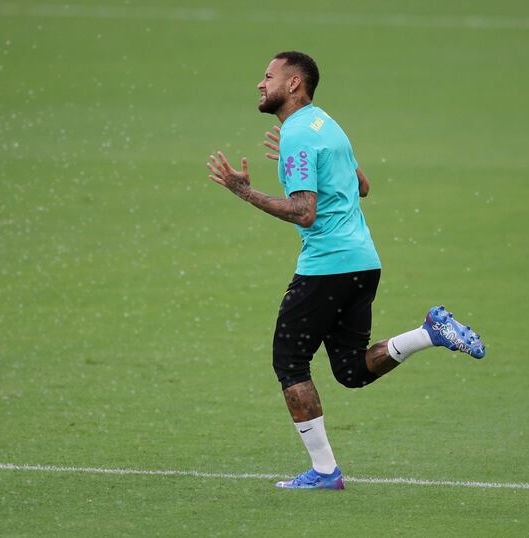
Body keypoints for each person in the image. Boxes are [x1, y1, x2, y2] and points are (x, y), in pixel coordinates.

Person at [207, 51, 485, 490]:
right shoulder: (325, 125)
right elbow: (362, 185)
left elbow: (304, 213)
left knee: (290, 361)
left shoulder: (298, 133)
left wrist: (244, 191)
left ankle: (324, 473)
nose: (260, 85)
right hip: (363, 263)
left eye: (268, 76)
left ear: (294, 83)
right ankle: (430, 332)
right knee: (352, 371)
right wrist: (303, 159)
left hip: (327, 266)